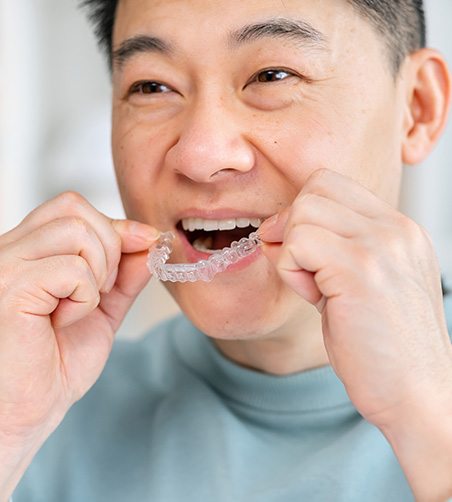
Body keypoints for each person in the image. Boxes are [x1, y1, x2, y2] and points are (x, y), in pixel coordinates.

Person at [1, 0, 451, 500]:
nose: (200, 155)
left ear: (417, 108)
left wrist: (432, 423)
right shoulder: (40, 414)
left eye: (272, 75)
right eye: (152, 87)